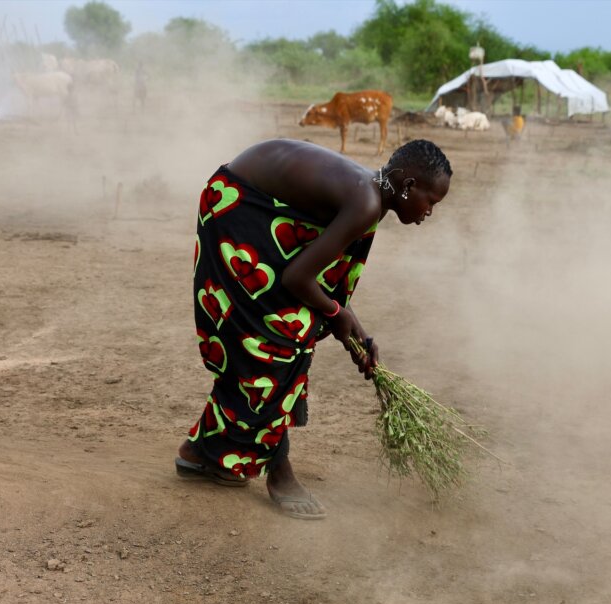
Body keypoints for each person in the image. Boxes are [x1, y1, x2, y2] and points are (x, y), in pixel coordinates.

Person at [177, 138, 452, 520]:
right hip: (237, 208)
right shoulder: (367, 202)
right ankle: (279, 472)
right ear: (407, 187)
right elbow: (298, 277)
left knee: (285, 332)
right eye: (431, 202)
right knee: (277, 340)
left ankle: (202, 453)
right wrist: (337, 315)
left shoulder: (371, 193)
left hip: (249, 200)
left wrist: (358, 334)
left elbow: (323, 275)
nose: (428, 213)